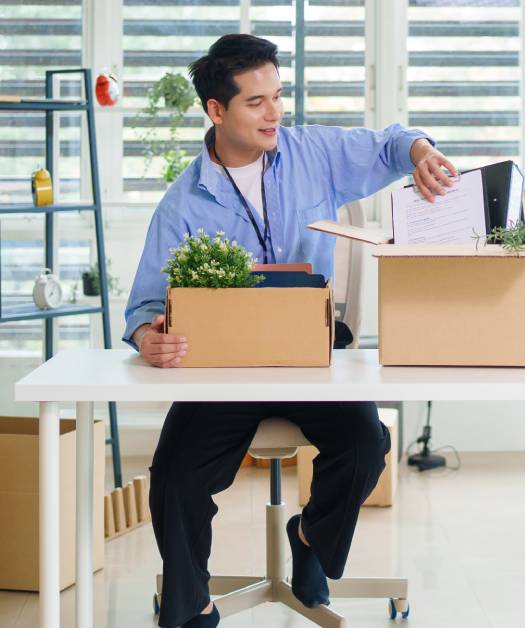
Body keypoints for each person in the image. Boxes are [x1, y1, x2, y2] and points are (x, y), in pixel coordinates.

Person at [122, 34, 457, 628]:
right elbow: (145, 304)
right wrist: (148, 335)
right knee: (175, 476)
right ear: (216, 110)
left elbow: (392, 142)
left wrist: (423, 154)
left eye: (279, 96)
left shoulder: (312, 152)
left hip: (309, 360)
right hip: (224, 369)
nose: (275, 113)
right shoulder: (182, 202)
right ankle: (192, 603)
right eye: (256, 102)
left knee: (365, 445)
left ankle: (308, 539)